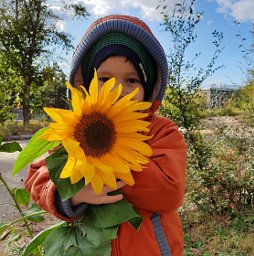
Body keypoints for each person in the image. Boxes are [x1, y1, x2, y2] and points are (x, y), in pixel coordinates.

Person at [24, 15, 187, 256]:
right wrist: (71, 195)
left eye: (131, 80)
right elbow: (37, 176)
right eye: (104, 79)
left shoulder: (161, 132)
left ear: (148, 88)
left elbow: (170, 190)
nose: (117, 89)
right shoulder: (76, 128)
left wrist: (108, 164)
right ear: (86, 84)